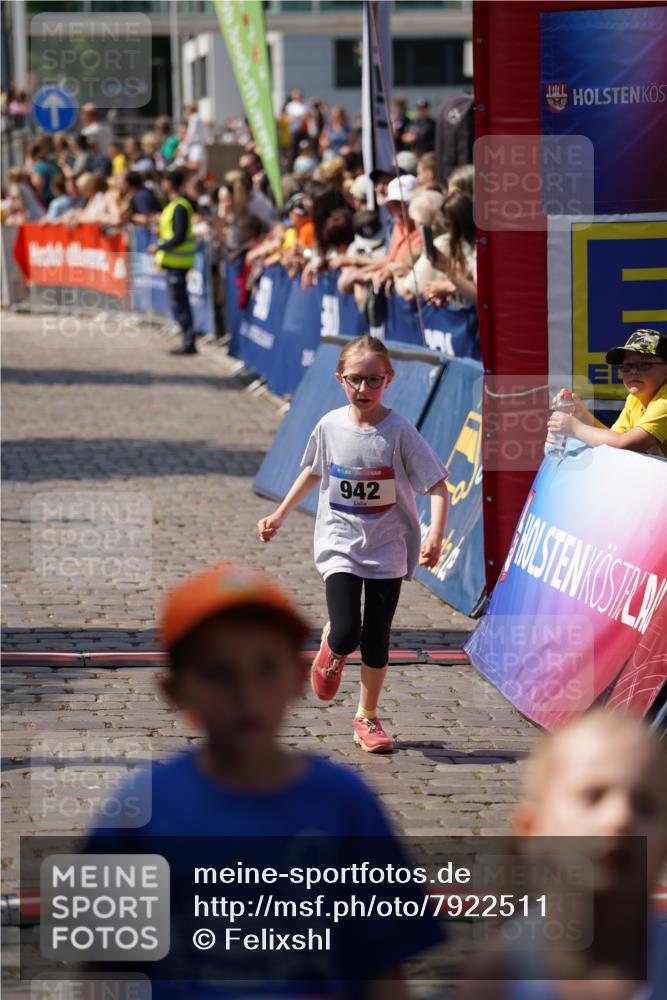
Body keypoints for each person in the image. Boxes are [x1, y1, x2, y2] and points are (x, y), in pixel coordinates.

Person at [86, 561, 442, 995]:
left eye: (266, 668)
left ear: (297, 679)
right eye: (219, 673)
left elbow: (385, 972)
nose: (246, 694)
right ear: (174, 691)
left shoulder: (346, 805)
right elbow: (101, 972)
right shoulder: (135, 814)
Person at [258, 335, 449, 754]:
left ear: (390, 379)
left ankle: (367, 717)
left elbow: (437, 483)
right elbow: (312, 470)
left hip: (388, 547)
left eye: (374, 381)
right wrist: (280, 514)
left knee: (377, 637)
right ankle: (334, 646)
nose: (364, 390)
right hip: (340, 542)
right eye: (354, 380)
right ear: (339, 378)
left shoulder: (399, 431)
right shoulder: (330, 425)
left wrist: (434, 534)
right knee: (348, 630)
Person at [459, 710, 667, 998]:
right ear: (531, 828)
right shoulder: (498, 976)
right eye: (593, 796)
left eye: (644, 805)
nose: (620, 817)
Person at [548, 329, 667, 457]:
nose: (633, 371)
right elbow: (613, 439)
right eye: (626, 366)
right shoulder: (635, 399)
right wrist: (581, 413)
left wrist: (575, 428)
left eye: (644, 365)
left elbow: (624, 444)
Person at [149, 169, 197, 355]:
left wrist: (159, 246)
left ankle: (188, 342)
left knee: (181, 304)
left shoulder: (179, 206)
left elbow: (179, 236)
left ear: (169, 182)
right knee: (178, 303)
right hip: (173, 263)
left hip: (178, 263)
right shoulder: (174, 205)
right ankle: (186, 340)